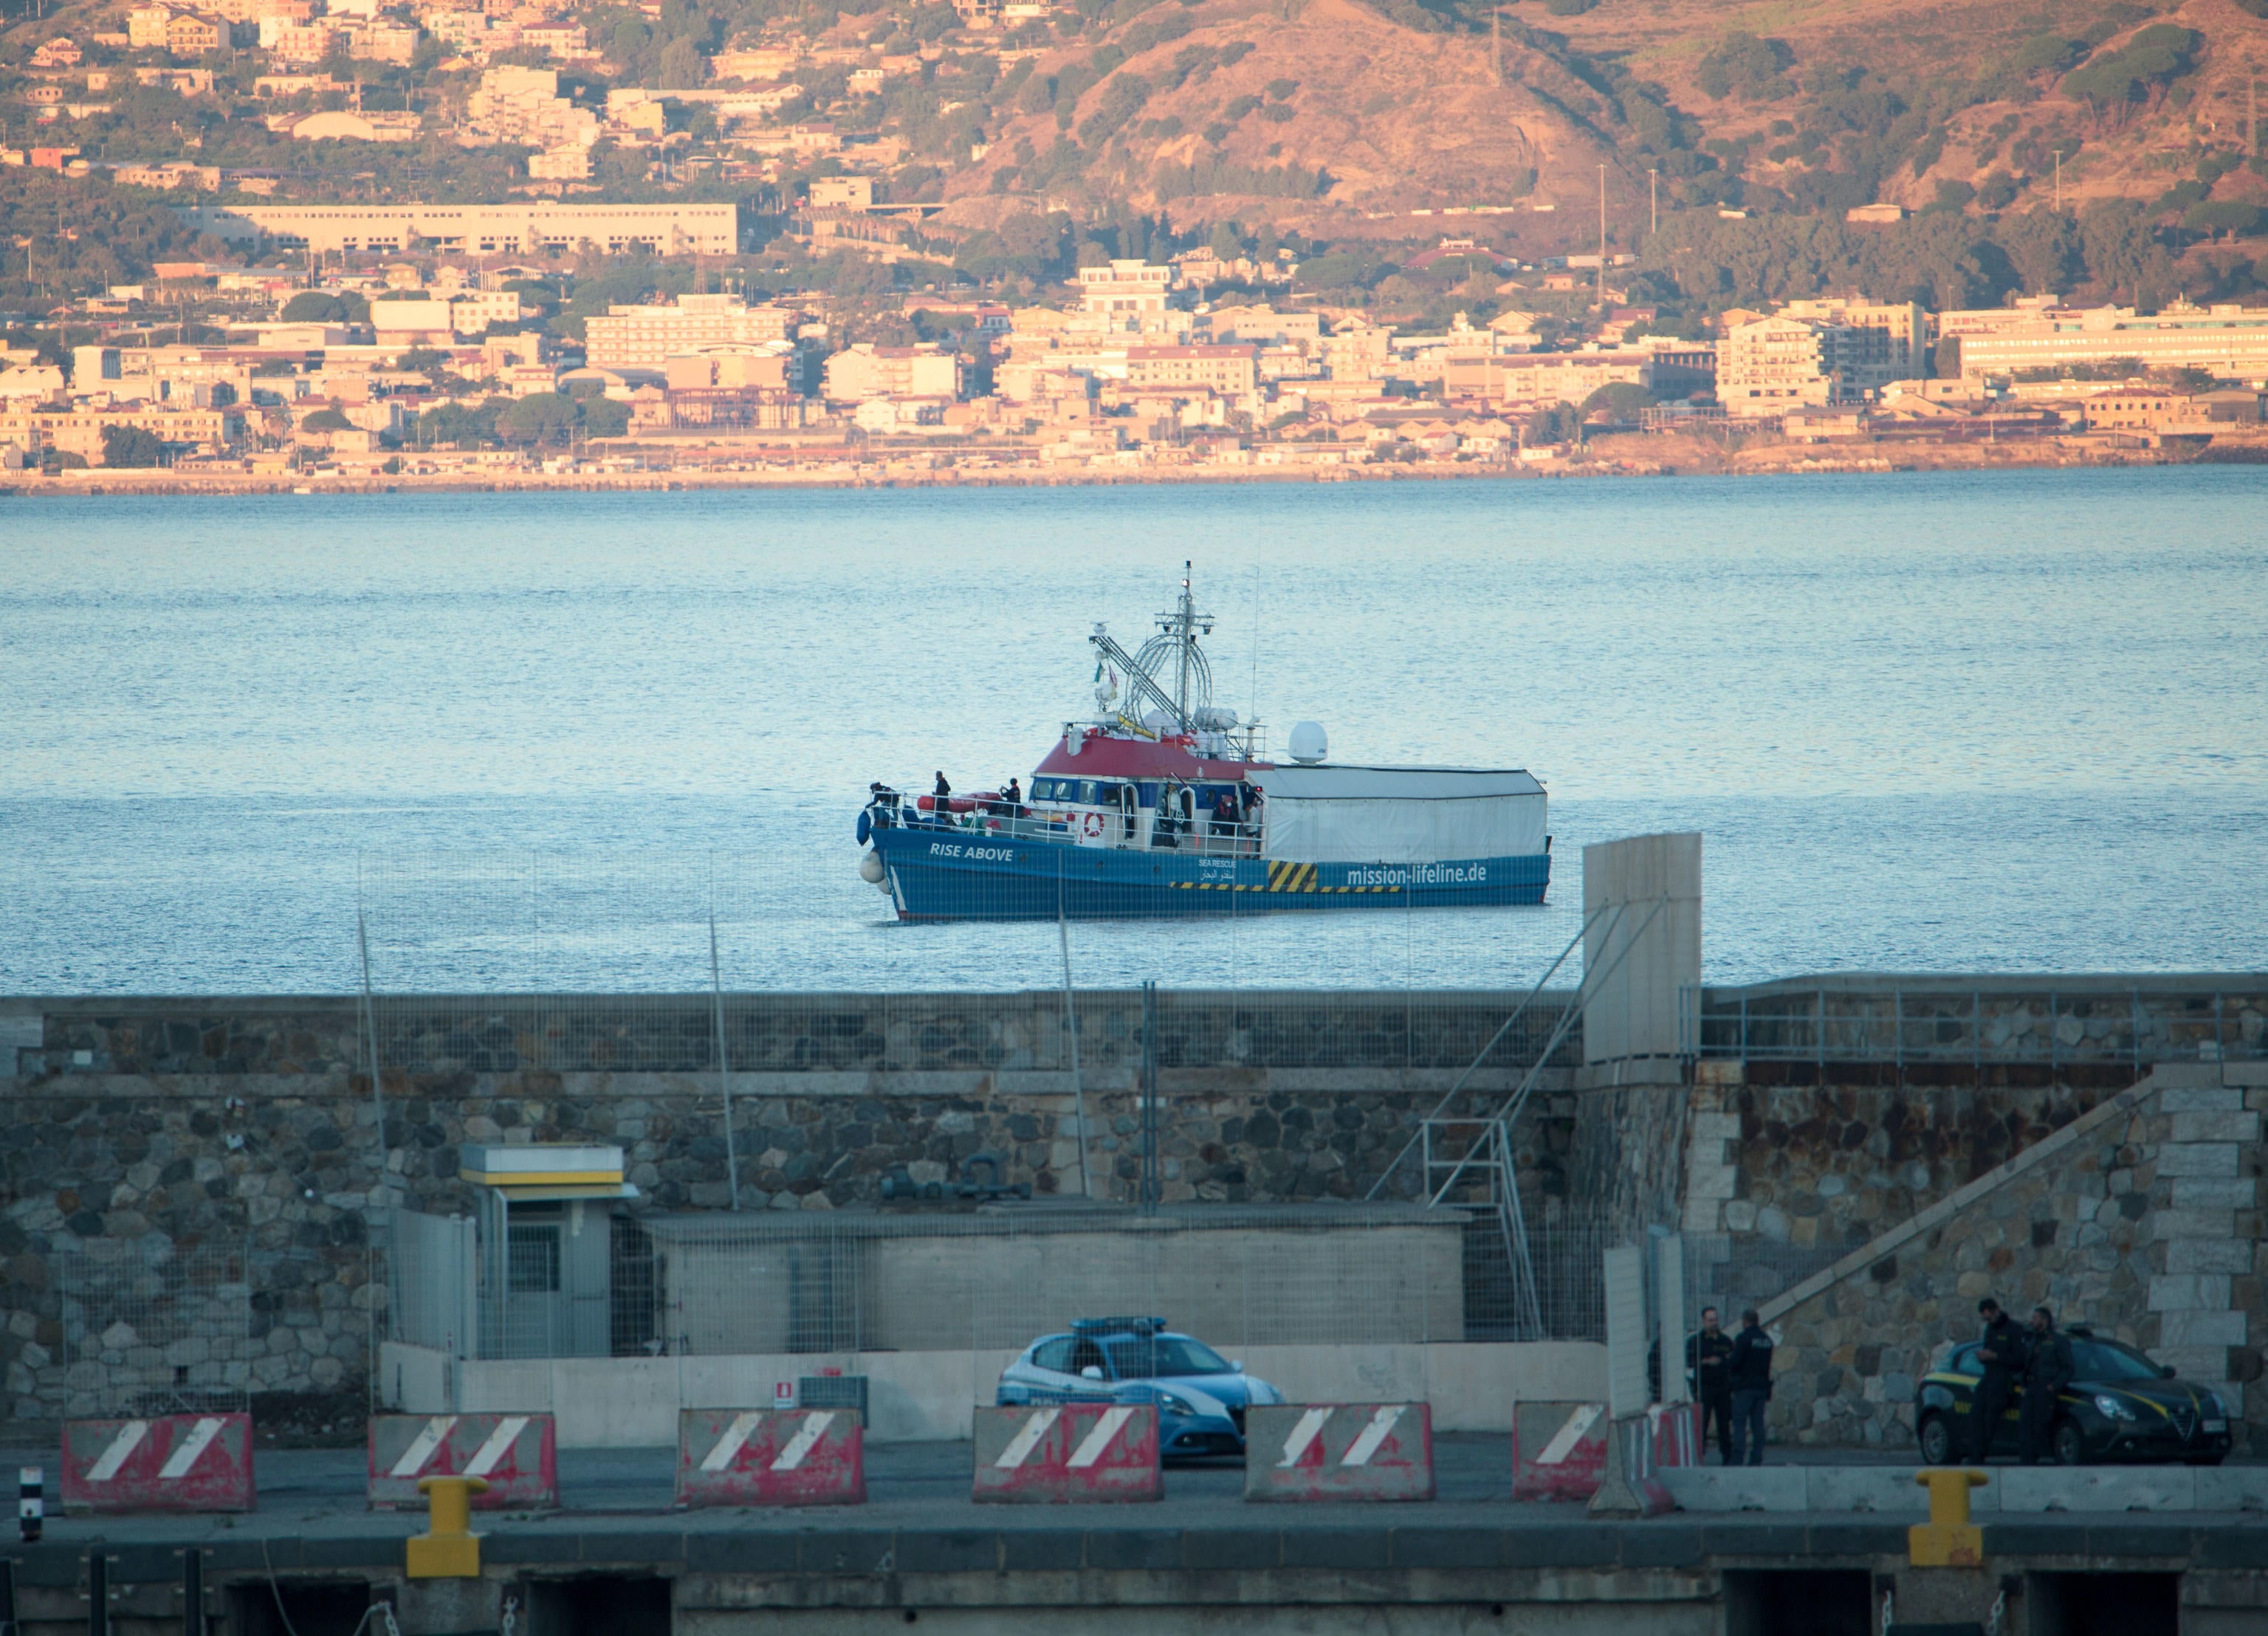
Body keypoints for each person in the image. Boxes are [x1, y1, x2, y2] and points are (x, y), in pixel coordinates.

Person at [1970, 1296, 2028, 1463]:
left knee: (1991, 1417)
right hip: (1988, 1378)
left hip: (2004, 1380)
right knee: (1976, 1415)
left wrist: (1995, 1356)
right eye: (1985, 1318)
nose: (1987, 1320)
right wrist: (1983, 1357)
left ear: (1996, 1311)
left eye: (1988, 1317)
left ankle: (1982, 1453)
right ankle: (1975, 1455)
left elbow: (2019, 1359)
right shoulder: (1990, 1329)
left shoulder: (2014, 1329)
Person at [2018, 1305, 2074, 1465]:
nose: (2032, 1321)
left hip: (2046, 1390)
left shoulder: (2058, 1341)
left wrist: (2053, 1386)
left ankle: (2038, 1458)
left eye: (2035, 1318)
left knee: (2040, 1425)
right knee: (2024, 1425)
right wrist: (2022, 1383)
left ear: (2045, 1320)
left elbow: (2068, 1368)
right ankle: (2026, 1461)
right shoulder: (2033, 1340)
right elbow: (2026, 1365)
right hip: (2031, 1389)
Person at [1687, 1306, 1736, 1465]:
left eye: (1715, 1319)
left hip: (1723, 1388)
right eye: (1710, 1320)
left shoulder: (1726, 1341)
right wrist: (1706, 1362)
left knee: (1724, 1425)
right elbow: (1689, 1363)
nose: (1714, 1323)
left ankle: (1727, 1457)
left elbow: (1733, 1361)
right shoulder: (1696, 1341)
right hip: (1705, 1388)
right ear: (1704, 1321)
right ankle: (1699, 1456)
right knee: (1702, 1424)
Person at [1727, 1308, 1773, 1466]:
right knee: (1757, 1423)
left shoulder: (1744, 1338)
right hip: (1761, 1387)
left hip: (1745, 1387)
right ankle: (1756, 1458)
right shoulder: (1767, 1340)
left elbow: (1734, 1362)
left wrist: (1726, 1361)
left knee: (1739, 1422)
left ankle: (1738, 1458)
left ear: (1745, 1321)